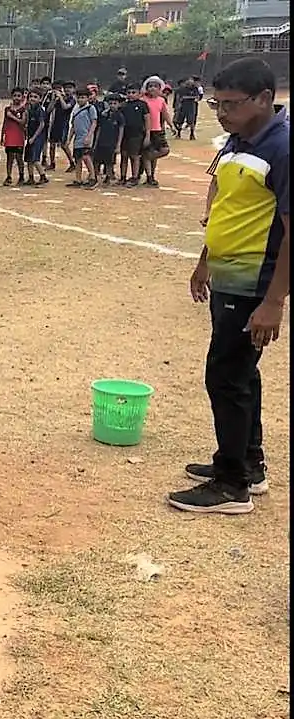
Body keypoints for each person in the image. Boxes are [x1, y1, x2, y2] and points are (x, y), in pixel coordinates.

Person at [169, 57, 289, 515]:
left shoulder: (282, 149)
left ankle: (231, 485)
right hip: (227, 273)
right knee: (241, 374)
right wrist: (205, 262)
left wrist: (273, 301)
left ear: (263, 98)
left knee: (225, 376)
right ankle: (247, 464)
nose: (222, 112)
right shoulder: (240, 141)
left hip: (252, 282)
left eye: (232, 104)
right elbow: (227, 209)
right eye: (217, 104)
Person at [140, 76, 174, 186]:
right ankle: (150, 177)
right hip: (146, 130)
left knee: (163, 150)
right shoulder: (142, 100)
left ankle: (148, 162)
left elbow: (165, 114)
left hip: (158, 130)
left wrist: (171, 125)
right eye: (150, 86)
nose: (152, 89)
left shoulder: (161, 100)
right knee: (148, 151)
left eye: (155, 86)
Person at [66, 87, 98, 188]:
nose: (81, 99)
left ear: (88, 98)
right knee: (78, 159)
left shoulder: (90, 108)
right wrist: (69, 139)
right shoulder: (76, 111)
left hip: (86, 137)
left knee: (86, 157)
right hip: (77, 139)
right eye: (79, 97)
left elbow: (94, 123)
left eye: (83, 97)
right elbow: (73, 127)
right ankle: (78, 179)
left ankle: (93, 178)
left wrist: (89, 136)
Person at [119, 85, 151, 187]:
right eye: (129, 92)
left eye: (134, 92)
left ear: (139, 93)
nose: (131, 95)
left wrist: (147, 135)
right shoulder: (123, 106)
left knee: (135, 156)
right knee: (124, 156)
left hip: (137, 135)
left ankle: (135, 177)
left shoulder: (142, 105)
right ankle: (123, 177)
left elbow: (147, 120)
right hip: (125, 134)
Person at [93, 94, 125, 185]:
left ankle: (108, 176)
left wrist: (118, 144)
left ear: (119, 104)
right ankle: (94, 176)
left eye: (115, 103)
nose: (112, 105)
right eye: (110, 103)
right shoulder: (104, 114)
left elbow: (121, 130)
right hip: (101, 141)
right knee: (97, 160)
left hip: (112, 143)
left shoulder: (120, 116)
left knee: (109, 162)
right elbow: (99, 128)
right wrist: (96, 142)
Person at [47, 81, 76, 172]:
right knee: (52, 144)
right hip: (55, 123)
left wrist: (60, 98)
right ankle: (52, 163)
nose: (67, 89)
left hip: (64, 124)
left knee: (64, 145)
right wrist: (54, 100)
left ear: (73, 90)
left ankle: (72, 163)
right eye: (66, 87)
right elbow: (49, 110)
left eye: (70, 88)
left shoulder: (72, 99)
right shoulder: (59, 98)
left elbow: (65, 107)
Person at [1, 87, 27, 186]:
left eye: (19, 96)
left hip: (19, 136)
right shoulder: (7, 109)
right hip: (9, 136)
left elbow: (23, 123)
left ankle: (21, 176)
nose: (16, 98)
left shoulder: (23, 109)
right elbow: (5, 123)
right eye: (15, 96)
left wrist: (12, 115)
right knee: (9, 157)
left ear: (22, 97)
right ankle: (8, 176)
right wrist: (2, 136)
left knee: (19, 157)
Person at [24, 88, 50, 185]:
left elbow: (42, 125)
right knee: (28, 158)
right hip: (31, 136)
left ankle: (43, 176)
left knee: (35, 158)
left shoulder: (40, 110)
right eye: (31, 96)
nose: (32, 99)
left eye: (35, 97)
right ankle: (31, 178)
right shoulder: (29, 109)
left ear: (40, 99)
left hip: (37, 137)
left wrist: (34, 138)